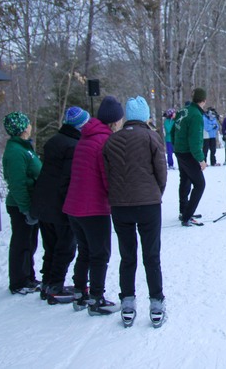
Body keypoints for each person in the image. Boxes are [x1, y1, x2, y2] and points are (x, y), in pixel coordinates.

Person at [103, 96, 168, 328]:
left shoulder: (112, 140)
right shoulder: (152, 137)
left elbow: (108, 174)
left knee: (127, 255)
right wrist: (156, 192)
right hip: (148, 203)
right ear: (145, 116)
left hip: (120, 206)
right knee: (151, 255)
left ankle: (128, 302)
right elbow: (162, 171)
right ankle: (156, 302)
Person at [62, 95, 124, 315]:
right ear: (114, 122)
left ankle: (80, 293)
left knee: (85, 251)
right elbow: (107, 177)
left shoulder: (86, 137)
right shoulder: (104, 141)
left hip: (74, 206)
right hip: (92, 207)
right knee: (100, 253)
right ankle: (96, 299)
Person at [31, 106, 88, 304]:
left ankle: (48, 282)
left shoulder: (54, 141)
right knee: (65, 246)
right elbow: (67, 179)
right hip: (59, 204)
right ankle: (55, 285)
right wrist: (70, 204)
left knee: (51, 245)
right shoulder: (73, 146)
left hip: (43, 201)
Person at [2, 111, 42, 295]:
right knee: (22, 243)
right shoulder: (16, 152)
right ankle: (19, 281)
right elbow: (17, 183)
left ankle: (28, 276)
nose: (30, 126)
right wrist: (25, 209)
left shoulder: (23, 147)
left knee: (29, 242)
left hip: (30, 203)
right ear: (22, 128)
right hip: (20, 206)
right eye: (27, 124)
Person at [173, 88, 208, 227]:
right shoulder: (196, 115)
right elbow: (194, 141)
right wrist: (201, 159)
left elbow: (172, 131)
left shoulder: (183, 110)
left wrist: (176, 146)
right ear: (203, 100)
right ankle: (187, 216)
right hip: (188, 153)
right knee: (200, 184)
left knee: (185, 180)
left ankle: (183, 210)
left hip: (180, 151)